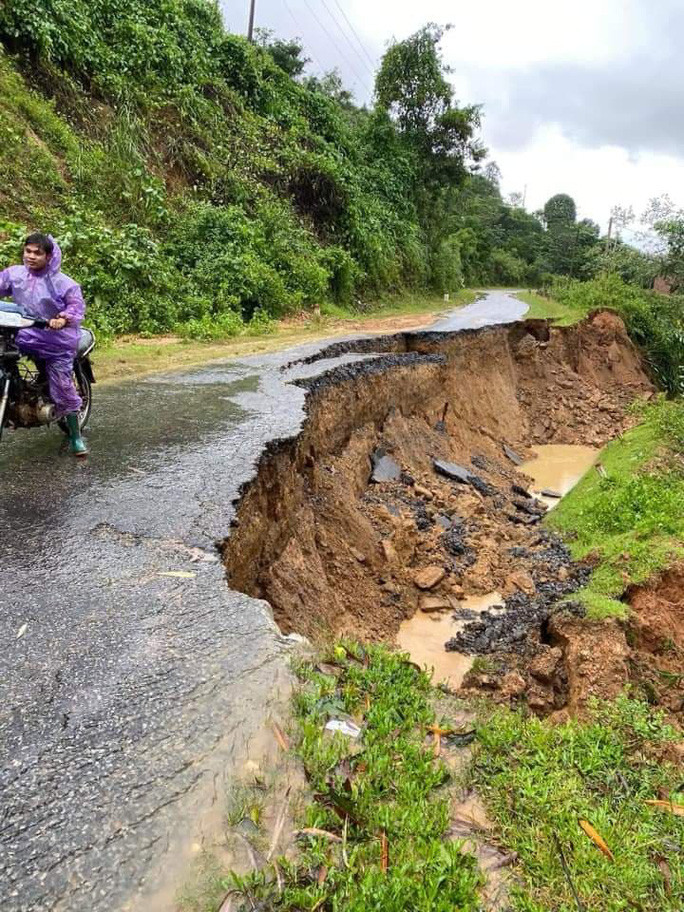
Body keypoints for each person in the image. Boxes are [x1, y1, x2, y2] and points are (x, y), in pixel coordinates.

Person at [0, 233, 88, 455]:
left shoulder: (65, 283)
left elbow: (76, 307)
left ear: (49, 256)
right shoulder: (15, 274)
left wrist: (63, 318)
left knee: (62, 387)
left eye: (37, 253)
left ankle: (76, 437)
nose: (31, 256)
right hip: (23, 332)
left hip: (56, 341)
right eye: (27, 251)